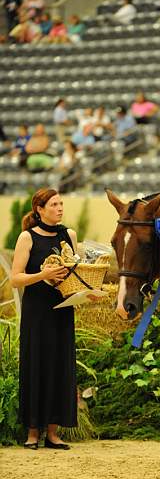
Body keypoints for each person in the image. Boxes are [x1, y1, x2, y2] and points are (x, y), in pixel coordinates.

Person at [11, 188, 78, 450]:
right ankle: (31, 433)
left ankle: (53, 433)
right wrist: (43, 274)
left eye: (61, 203)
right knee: (35, 365)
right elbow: (16, 279)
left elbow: (76, 272)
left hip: (62, 309)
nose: (60, 208)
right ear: (39, 209)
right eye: (54, 204)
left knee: (60, 367)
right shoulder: (27, 238)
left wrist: (89, 292)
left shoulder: (69, 235)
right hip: (36, 312)